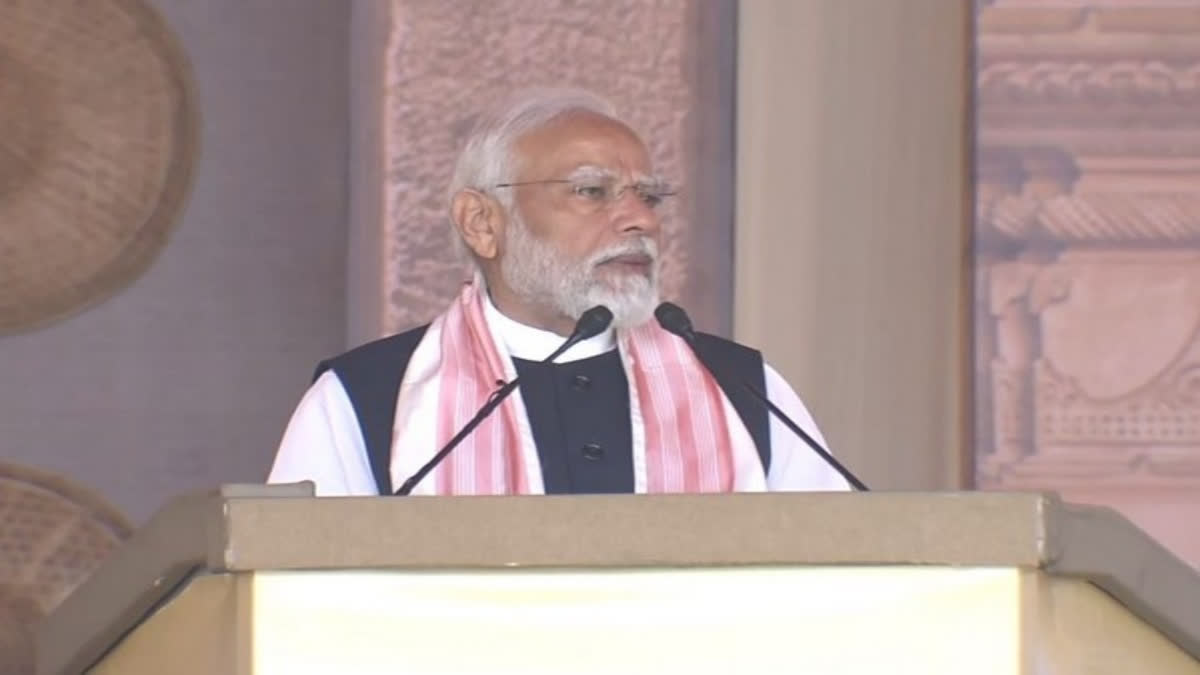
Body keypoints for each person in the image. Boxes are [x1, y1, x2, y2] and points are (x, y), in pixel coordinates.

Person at [267, 87, 850, 496]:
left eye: (647, 196)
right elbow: (293, 609)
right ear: (483, 223)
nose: (638, 220)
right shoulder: (367, 400)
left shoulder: (743, 389)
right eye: (592, 192)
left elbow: (842, 579)